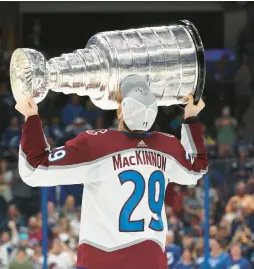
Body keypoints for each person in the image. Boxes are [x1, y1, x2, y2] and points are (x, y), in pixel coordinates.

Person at [15, 74, 207, 269]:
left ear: (120, 112)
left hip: (102, 260)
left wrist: (30, 116)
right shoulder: (167, 146)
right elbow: (196, 169)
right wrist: (191, 117)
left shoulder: (97, 144)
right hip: (152, 261)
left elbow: (34, 168)